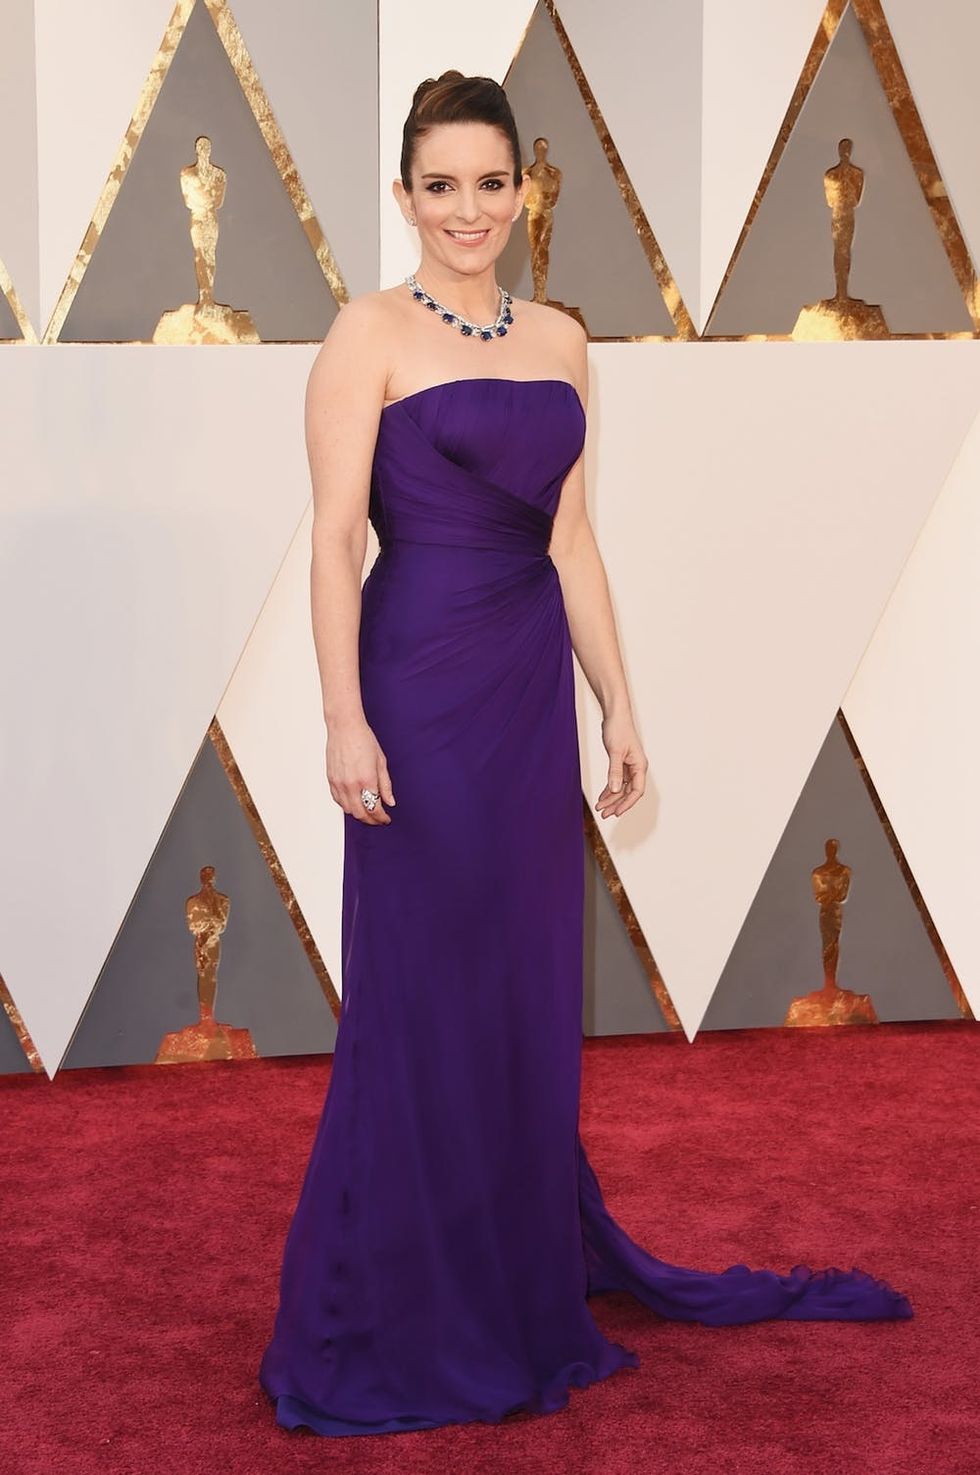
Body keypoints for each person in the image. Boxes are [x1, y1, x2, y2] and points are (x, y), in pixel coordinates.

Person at [257, 70, 913, 1439]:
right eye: (439, 185)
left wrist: (617, 702)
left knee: (518, 981)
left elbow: (568, 540)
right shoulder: (364, 334)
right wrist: (339, 712)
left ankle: (511, 1271)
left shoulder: (561, 340)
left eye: (489, 182)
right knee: (425, 987)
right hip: (416, 681)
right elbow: (330, 540)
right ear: (404, 195)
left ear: (522, 189)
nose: (466, 209)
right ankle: (402, 1295)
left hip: (523, 691)